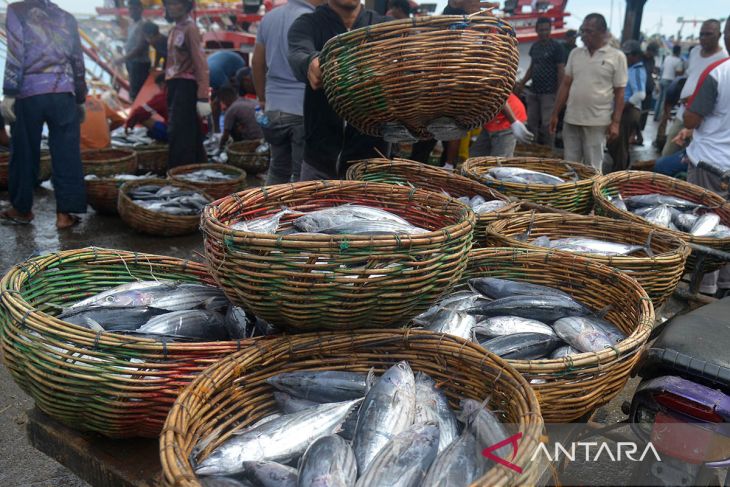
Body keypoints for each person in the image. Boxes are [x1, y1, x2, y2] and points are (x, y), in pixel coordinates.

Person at [1, 0, 87, 229]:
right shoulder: (66, 16)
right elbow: (77, 59)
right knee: (67, 153)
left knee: (24, 150)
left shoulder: (17, 11)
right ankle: (64, 215)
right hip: (63, 93)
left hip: (29, 93)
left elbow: (16, 52)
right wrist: (80, 97)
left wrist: (9, 92)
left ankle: (22, 209)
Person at [288, 0, 389, 180]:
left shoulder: (384, 27)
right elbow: (298, 54)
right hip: (318, 161)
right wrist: (311, 63)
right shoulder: (308, 24)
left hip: (371, 164)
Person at [671, 17, 730, 297]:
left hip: (710, 165)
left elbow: (693, 119)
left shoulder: (719, 72)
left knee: (705, 226)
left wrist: (686, 115)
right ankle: (724, 286)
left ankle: (702, 289)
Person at [252, 0, 321, 184]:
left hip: (273, 109)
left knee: (277, 170)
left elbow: (257, 63)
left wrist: (262, 98)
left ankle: (267, 211)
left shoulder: (269, 18)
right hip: (301, 110)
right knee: (301, 177)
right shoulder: (311, 19)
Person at [549, 13, 627, 173]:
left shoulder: (617, 57)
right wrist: (555, 113)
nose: (584, 35)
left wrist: (616, 123)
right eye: (582, 30)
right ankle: (571, 197)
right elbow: (565, 85)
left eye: (589, 31)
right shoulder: (575, 53)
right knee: (570, 167)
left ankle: (591, 198)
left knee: (592, 167)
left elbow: (620, 92)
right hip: (572, 118)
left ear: (602, 32)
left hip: (597, 122)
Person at [661, 19, 727, 158]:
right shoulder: (695, 52)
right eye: (701, 34)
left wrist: (695, 98)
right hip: (684, 112)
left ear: (719, 35)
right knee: (668, 151)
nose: (703, 38)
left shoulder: (724, 58)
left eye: (708, 34)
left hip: (703, 119)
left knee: (694, 156)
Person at [164, 0, 210, 168]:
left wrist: (203, 96)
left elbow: (200, 63)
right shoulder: (174, 30)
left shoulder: (190, 28)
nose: (171, 7)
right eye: (169, 4)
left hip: (186, 85)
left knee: (179, 131)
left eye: (175, 4)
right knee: (188, 129)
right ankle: (196, 166)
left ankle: (180, 170)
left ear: (185, 6)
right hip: (174, 85)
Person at [517, 17, 564, 147]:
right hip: (534, 91)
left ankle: (549, 149)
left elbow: (561, 70)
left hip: (549, 93)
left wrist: (560, 92)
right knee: (531, 122)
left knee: (547, 124)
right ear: (536, 30)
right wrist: (521, 83)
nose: (544, 32)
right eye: (541, 30)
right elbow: (532, 68)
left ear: (550, 30)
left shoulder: (557, 47)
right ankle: (532, 149)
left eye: (547, 29)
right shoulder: (535, 46)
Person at [607, 40, 645, 172]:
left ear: (635, 55)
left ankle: (619, 172)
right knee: (615, 143)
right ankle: (619, 169)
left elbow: (640, 94)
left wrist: (621, 107)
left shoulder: (637, 70)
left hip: (628, 110)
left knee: (619, 144)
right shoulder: (629, 68)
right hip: (624, 109)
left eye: (627, 55)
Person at [469, 93, 530, 157]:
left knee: (500, 160)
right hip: (491, 119)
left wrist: (514, 122)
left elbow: (499, 98)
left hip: (509, 117)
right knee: (475, 155)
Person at [115, 0, 150, 101]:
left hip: (139, 64)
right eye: (130, 9)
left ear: (140, 9)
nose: (131, 11)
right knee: (133, 89)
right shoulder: (132, 24)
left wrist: (122, 59)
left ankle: (137, 111)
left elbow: (140, 48)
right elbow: (133, 41)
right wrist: (124, 42)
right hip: (131, 63)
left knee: (137, 93)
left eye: (134, 8)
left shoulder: (143, 25)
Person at [217, 84, 263, 152]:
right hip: (266, 137)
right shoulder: (252, 101)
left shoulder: (232, 109)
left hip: (254, 140)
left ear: (224, 99)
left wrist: (220, 148)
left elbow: (225, 136)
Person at [208, 50, 245, 132]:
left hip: (234, 64)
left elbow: (228, 97)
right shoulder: (212, 75)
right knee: (217, 102)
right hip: (219, 66)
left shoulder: (215, 75)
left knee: (230, 102)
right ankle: (217, 131)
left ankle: (232, 130)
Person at [125, 74, 168, 142]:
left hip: (173, 135)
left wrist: (128, 124)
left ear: (163, 84)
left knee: (143, 118)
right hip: (188, 134)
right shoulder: (184, 92)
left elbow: (139, 113)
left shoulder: (163, 97)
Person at [654, 45, 684, 122]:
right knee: (665, 101)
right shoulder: (678, 61)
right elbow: (678, 73)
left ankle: (655, 116)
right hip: (670, 81)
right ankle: (660, 118)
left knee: (659, 99)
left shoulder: (667, 58)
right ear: (679, 52)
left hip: (662, 79)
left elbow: (662, 69)